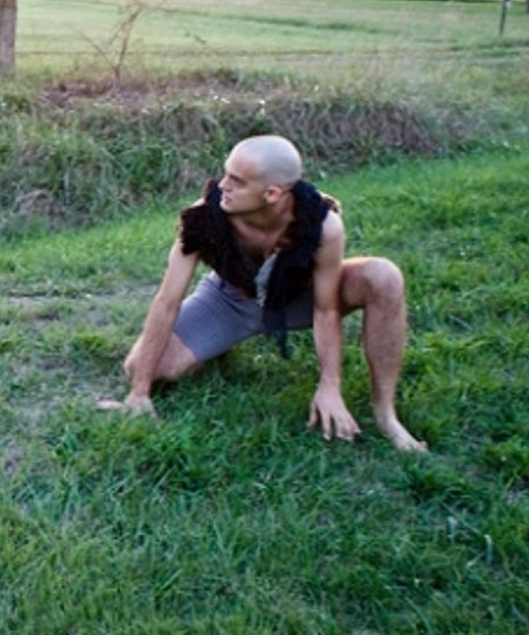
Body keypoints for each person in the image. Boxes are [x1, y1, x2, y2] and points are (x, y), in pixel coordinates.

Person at [108, 135, 426, 451]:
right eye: (225, 173)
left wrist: (330, 384)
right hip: (230, 300)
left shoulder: (321, 223)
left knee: (383, 276)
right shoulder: (204, 216)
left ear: (272, 193)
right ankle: (218, 344)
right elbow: (167, 301)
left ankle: (386, 414)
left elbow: (325, 309)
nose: (223, 185)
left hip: (298, 299)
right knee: (142, 367)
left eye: (237, 181)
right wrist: (139, 391)